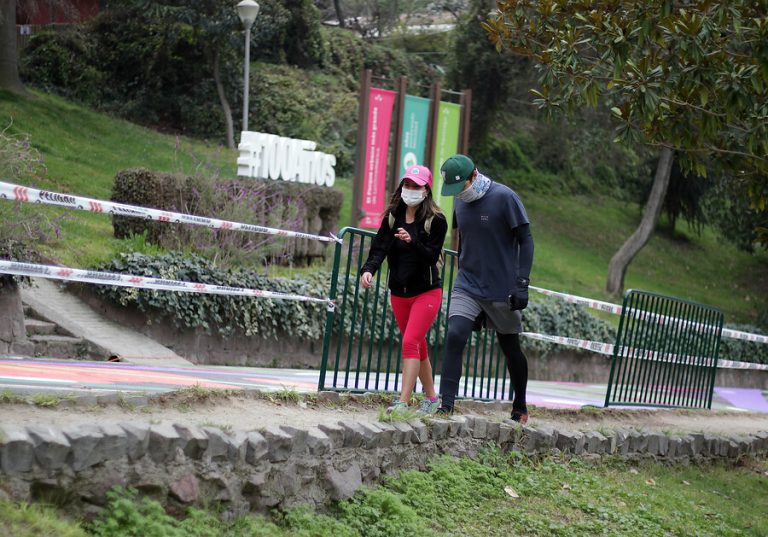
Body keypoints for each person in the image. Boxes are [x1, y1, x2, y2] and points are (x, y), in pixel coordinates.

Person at [436, 154, 534, 423]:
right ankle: (446, 405)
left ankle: (520, 404)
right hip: (468, 284)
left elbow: (526, 240)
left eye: (461, 187)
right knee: (455, 335)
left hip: (502, 288)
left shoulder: (505, 198)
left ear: (474, 176)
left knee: (510, 346)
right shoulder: (460, 201)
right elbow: (464, 237)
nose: (459, 194)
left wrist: (522, 282)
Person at [360, 164, 448, 415]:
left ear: (426, 190)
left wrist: (413, 241)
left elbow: (431, 256)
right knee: (417, 343)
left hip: (427, 292)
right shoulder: (393, 215)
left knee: (410, 341)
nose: (411, 190)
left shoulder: (436, 220)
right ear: (401, 187)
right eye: (407, 185)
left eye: (416, 186)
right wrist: (368, 270)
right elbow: (380, 247)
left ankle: (403, 401)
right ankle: (431, 398)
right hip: (399, 292)